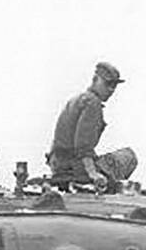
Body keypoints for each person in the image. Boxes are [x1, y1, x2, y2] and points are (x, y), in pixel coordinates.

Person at [47, 61, 131, 189]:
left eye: (114, 85)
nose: (111, 90)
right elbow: (83, 145)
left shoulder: (77, 99)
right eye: (107, 84)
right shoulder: (93, 103)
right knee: (128, 156)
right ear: (95, 79)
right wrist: (93, 174)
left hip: (59, 165)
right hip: (74, 167)